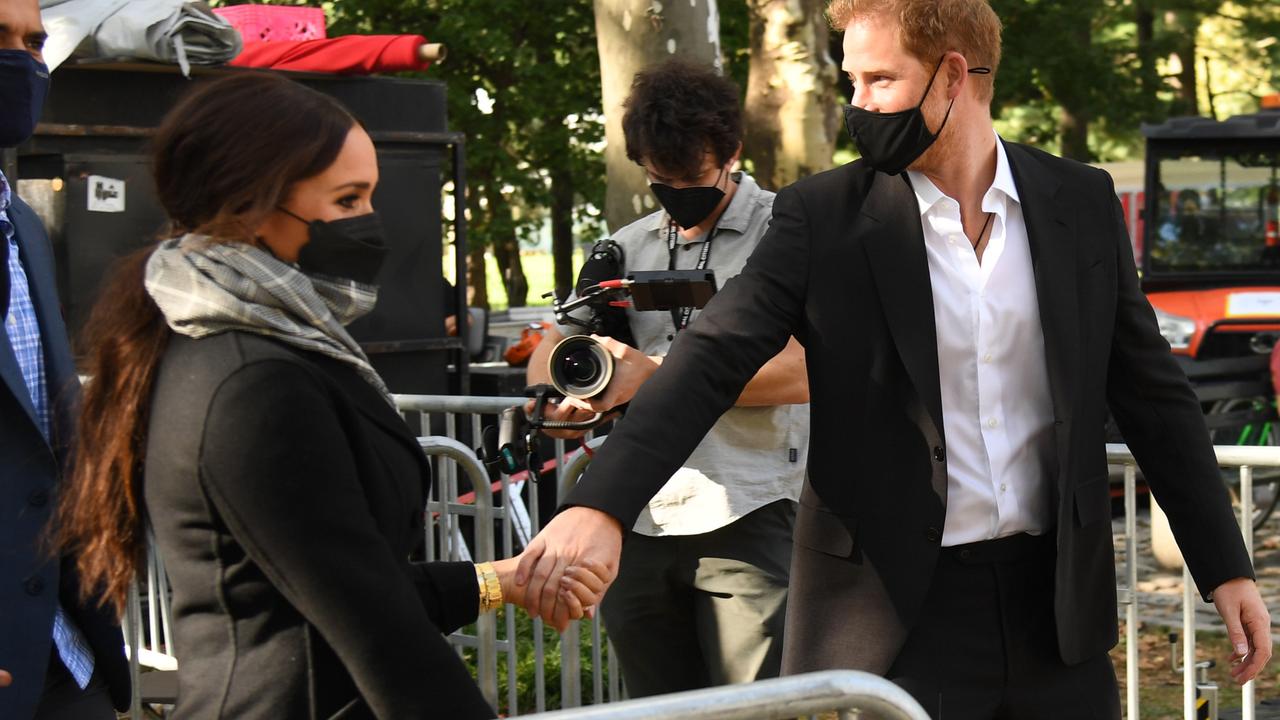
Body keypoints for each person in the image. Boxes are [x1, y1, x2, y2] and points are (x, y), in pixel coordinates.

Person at [515, 1, 1272, 717]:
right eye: (851, 80)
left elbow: (1153, 393)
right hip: (900, 615)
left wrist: (1225, 566)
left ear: (953, 75)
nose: (860, 104)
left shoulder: (1078, 200)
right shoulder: (823, 217)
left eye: (879, 80)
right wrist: (600, 506)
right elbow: (711, 357)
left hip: (1059, 613)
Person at [54, 73, 605, 720]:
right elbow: (375, 630)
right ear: (250, 206)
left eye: (370, 195)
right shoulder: (253, 382)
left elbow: (342, 577)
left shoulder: (267, 345)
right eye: (347, 200)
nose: (370, 222)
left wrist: (501, 580)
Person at [525, 59, 809, 697]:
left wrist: (650, 377)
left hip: (754, 507)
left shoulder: (786, 232)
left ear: (733, 152)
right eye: (659, 177)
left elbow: (804, 371)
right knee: (657, 709)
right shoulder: (625, 248)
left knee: (754, 711)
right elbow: (555, 347)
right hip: (637, 516)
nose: (677, 190)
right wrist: (568, 396)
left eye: (693, 177)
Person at [0, 1, 130, 717]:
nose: (22, 60)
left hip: (66, 653)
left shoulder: (21, 224)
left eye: (34, 42)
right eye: (0, 39)